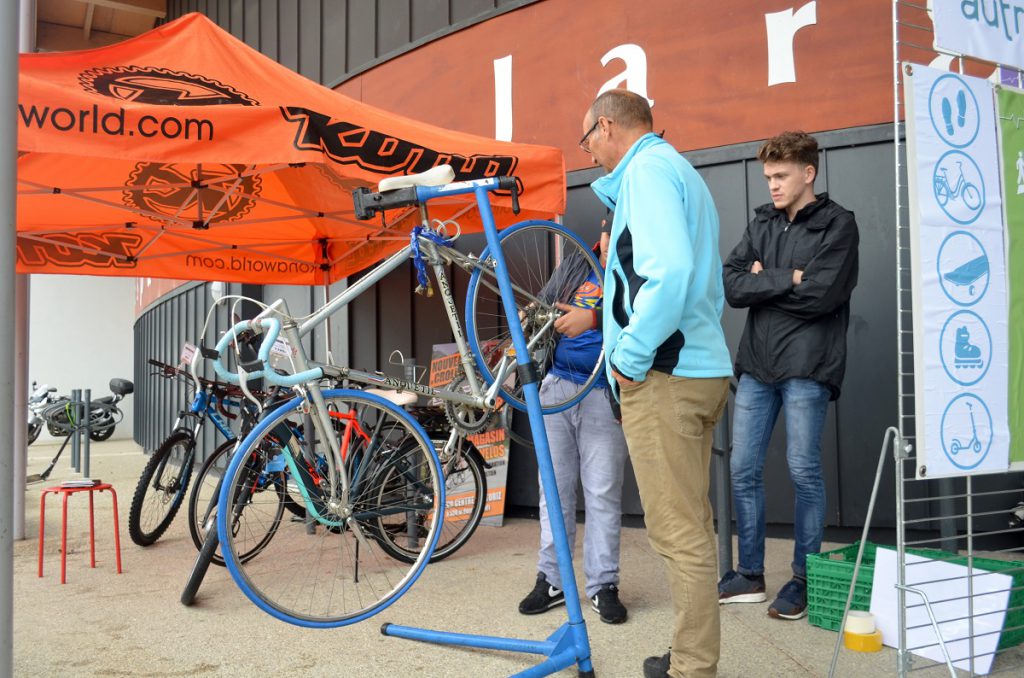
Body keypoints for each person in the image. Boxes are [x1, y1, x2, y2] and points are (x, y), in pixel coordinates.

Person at [583, 89, 733, 678]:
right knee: (693, 525)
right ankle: (691, 652)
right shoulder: (679, 172)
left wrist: (628, 358)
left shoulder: (645, 172)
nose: (590, 152)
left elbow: (667, 274)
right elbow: (703, 283)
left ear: (606, 126)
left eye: (588, 139)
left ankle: (692, 669)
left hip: (665, 375)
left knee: (677, 533)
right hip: (699, 367)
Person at [719, 131, 859, 621]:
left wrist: (766, 279)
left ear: (808, 173)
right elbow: (733, 284)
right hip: (758, 364)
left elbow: (822, 295)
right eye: (768, 178)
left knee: (803, 470)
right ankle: (750, 575)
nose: (773, 186)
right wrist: (789, 276)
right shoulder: (763, 221)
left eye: (781, 176)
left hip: (808, 366)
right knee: (743, 468)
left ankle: (803, 578)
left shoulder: (838, 225)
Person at [517, 218, 630, 626]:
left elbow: (639, 317)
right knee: (554, 490)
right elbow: (540, 309)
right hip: (558, 386)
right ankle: (553, 580)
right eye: (605, 229)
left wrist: (594, 319)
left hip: (603, 393)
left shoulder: (633, 269)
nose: (607, 239)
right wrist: (528, 316)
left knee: (601, 493)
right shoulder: (577, 264)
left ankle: (603, 585)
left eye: (617, 231)